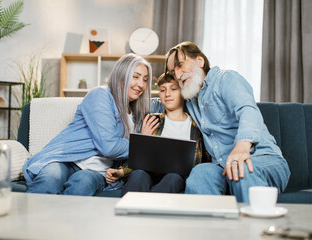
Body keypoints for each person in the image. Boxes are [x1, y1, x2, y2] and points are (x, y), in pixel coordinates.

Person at [154, 41, 290, 203]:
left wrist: (242, 145)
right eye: (172, 70)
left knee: (241, 167)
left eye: (181, 65)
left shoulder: (226, 79)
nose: (177, 75)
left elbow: (247, 110)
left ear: (200, 61)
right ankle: (212, 228)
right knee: (200, 174)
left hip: (264, 159)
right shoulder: (190, 98)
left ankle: (253, 227)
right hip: (222, 167)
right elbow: (163, 101)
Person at [23, 53, 152, 196]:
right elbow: (109, 146)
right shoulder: (101, 95)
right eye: (135, 77)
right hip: (66, 159)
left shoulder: (138, 114)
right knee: (50, 180)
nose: (141, 84)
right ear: (121, 75)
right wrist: (140, 144)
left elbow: (133, 156)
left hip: (97, 171)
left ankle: (63, 218)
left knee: (82, 185)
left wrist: (142, 143)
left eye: (145, 80)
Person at [105, 73, 211, 196]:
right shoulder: (151, 120)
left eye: (173, 89)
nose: (167, 94)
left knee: (173, 177)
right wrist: (121, 172)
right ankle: (128, 211)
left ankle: (150, 210)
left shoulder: (196, 126)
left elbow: (205, 161)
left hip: (177, 178)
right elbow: (138, 158)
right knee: (139, 174)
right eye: (162, 90)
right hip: (149, 173)